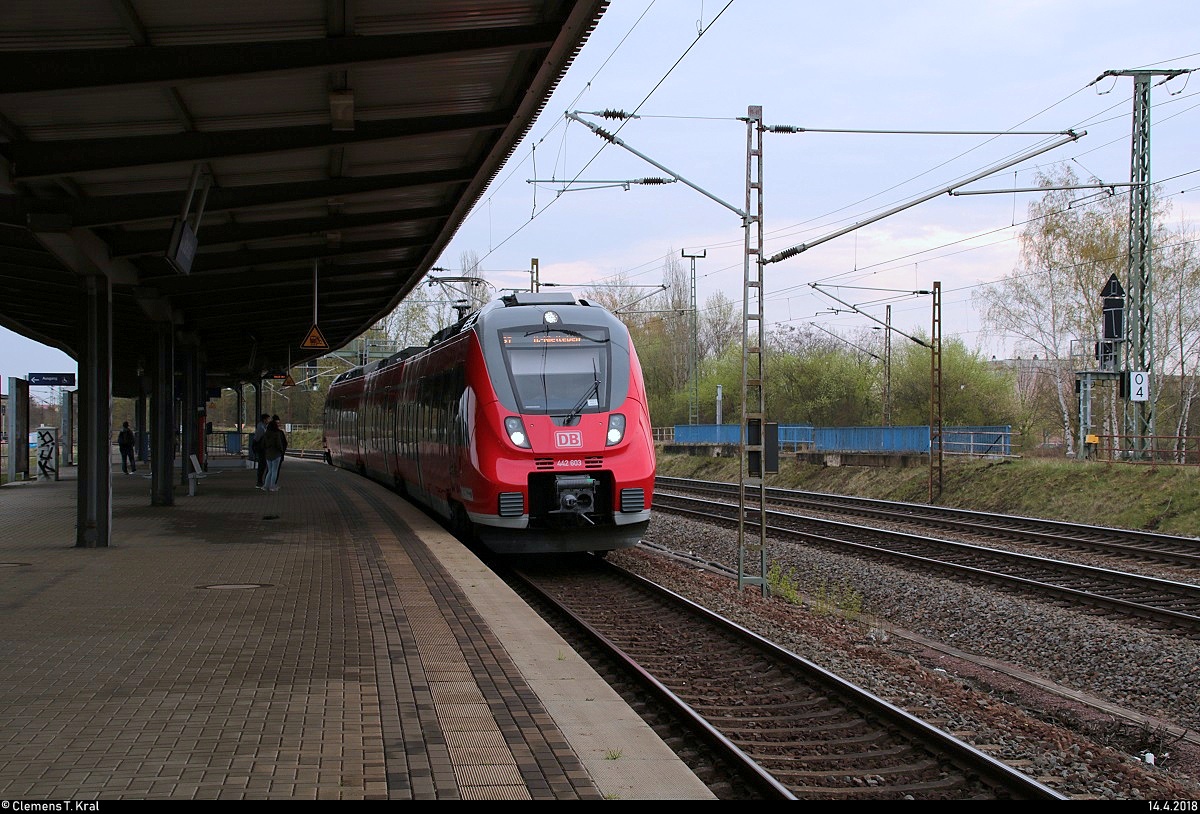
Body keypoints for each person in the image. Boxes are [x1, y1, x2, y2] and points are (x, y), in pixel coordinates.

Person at [261, 419, 287, 492]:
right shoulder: (276, 434)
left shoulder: (266, 434)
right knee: (274, 471)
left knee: (269, 470)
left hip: (268, 454)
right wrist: (281, 451)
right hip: (276, 454)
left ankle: (266, 486)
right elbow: (279, 444)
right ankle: (272, 486)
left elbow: (263, 444)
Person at [253, 413, 269, 489]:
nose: (268, 420)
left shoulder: (263, 426)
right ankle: (259, 482)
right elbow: (257, 438)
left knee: (263, 465)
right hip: (262, 449)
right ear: (264, 419)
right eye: (267, 419)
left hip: (262, 448)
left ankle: (261, 481)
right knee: (262, 465)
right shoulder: (261, 428)